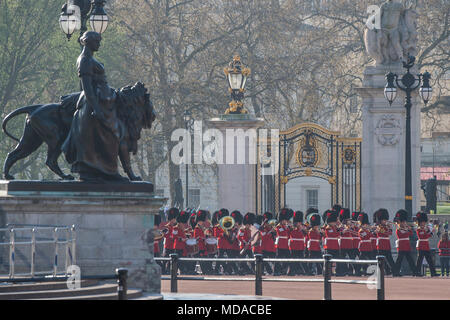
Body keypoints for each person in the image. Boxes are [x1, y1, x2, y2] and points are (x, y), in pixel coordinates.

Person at [62, 31, 127, 182]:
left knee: (112, 133)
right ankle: (107, 170)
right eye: (97, 41)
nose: (99, 44)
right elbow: (87, 87)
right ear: (89, 42)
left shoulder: (90, 58)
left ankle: (106, 170)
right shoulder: (85, 60)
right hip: (92, 104)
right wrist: (96, 108)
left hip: (101, 102)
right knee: (110, 134)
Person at [393, 209, 418, 276]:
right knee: (399, 261)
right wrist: (407, 230)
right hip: (401, 246)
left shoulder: (405, 229)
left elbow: (410, 234)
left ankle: (415, 272)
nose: (404, 223)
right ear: (400, 223)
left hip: (407, 246)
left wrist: (408, 229)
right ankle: (396, 272)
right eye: (403, 222)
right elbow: (403, 235)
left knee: (410, 260)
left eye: (404, 222)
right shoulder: (398, 230)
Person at [374, 208, 396, 276]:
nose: (385, 221)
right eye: (383, 220)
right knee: (380, 259)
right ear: (380, 220)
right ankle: (382, 271)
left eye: (385, 220)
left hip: (387, 244)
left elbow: (390, 233)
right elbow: (384, 232)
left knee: (390, 259)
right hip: (381, 244)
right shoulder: (378, 227)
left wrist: (390, 227)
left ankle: (394, 271)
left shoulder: (386, 226)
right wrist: (387, 229)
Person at [415, 211, 438, 277]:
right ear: (420, 222)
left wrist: (431, 231)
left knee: (430, 260)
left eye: (424, 222)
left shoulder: (425, 228)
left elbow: (428, 235)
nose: (424, 223)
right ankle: (417, 272)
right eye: (422, 222)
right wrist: (430, 232)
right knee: (419, 260)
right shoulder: (419, 229)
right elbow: (424, 236)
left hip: (426, 245)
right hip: (421, 246)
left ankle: (433, 273)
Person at [323, 209, 344, 276]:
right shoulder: (328, 228)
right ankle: (327, 272)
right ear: (330, 222)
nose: (335, 223)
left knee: (338, 259)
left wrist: (340, 230)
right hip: (329, 246)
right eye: (334, 222)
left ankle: (338, 272)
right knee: (328, 261)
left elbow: (337, 234)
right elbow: (334, 234)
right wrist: (340, 232)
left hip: (335, 246)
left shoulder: (334, 227)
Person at [288, 210, 309, 275]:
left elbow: (306, 234)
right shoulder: (291, 227)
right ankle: (291, 271)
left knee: (302, 259)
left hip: (300, 245)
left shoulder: (303, 227)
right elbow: (288, 233)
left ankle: (306, 271)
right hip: (293, 244)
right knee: (292, 259)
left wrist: (302, 229)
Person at [338, 208, 357, 276]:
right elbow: (340, 233)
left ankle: (352, 270)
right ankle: (343, 271)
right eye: (347, 219)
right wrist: (345, 229)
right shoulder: (341, 226)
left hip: (349, 243)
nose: (349, 220)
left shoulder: (350, 225)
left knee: (352, 258)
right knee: (342, 258)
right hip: (343, 243)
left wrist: (352, 226)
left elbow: (356, 232)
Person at [273, 208, 292, 276]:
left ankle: (284, 270)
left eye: (285, 220)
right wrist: (287, 228)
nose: (285, 221)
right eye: (284, 220)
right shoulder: (278, 227)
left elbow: (289, 234)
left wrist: (289, 228)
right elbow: (282, 232)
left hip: (286, 244)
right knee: (278, 258)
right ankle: (275, 271)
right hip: (280, 244)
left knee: (288, 258)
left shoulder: (286, 227)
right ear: (281, 220)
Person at [194, 210, 213, 275]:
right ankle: (205, 271)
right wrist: (204, 238)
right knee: (202, 261)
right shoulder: (197, 228)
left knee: (205, 260)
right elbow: (197, 238)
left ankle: (207, 270)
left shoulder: (202, 227)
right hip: (200, 247)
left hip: (203, 247)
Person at [162, 207, 179, 275]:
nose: (174, 220)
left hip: (174, 246)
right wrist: (171, 237)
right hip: (168, 246)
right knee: (165, 259)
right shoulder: (167, 227)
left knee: (172, 261)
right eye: (173, 219)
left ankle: (171, 271)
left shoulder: (176, 227)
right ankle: (163, 271)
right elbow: (165, 235)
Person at [173, 209, 190, 274]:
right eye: (182, 223)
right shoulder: (175, 228)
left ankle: (182, 271)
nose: (183, 224)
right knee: (177, 261)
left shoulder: (182, 228)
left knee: (181, 261)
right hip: (177, 247)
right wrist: (181, 239)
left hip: (182, 247)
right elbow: (174, 237)